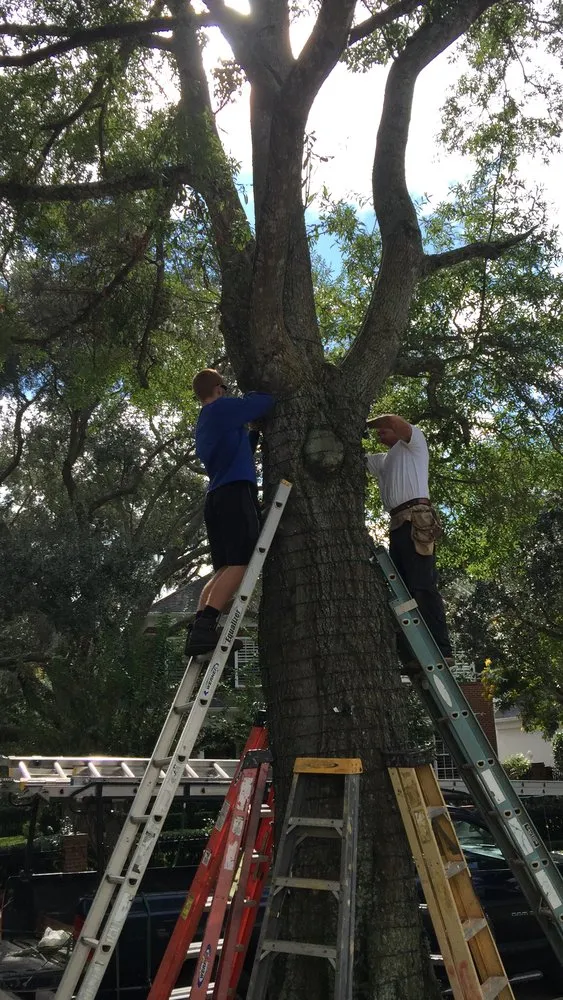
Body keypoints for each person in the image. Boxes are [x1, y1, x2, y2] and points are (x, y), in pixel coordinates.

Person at [185, 369, 275, 656]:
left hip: (216, 497)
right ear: (219, 388)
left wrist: (253, 434)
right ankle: (205, 626)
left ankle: (200, 628)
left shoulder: (206, 422)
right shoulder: (222, 408)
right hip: (235, 492)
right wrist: (253, 396)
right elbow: (265, 401)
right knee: (241, 562)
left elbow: (239, 448)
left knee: (224, 568)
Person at [365, 414, 453, 664]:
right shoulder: (384, 460)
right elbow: (357, 460)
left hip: (417, 519)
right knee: (402, 591)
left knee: (422, 584)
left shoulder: (414, 443)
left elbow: (393, 419)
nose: (379, 432)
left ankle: (441, 649)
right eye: (377, 431)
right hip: (397, 524)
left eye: (383, 429)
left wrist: (365, 422)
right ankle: (412, 654)